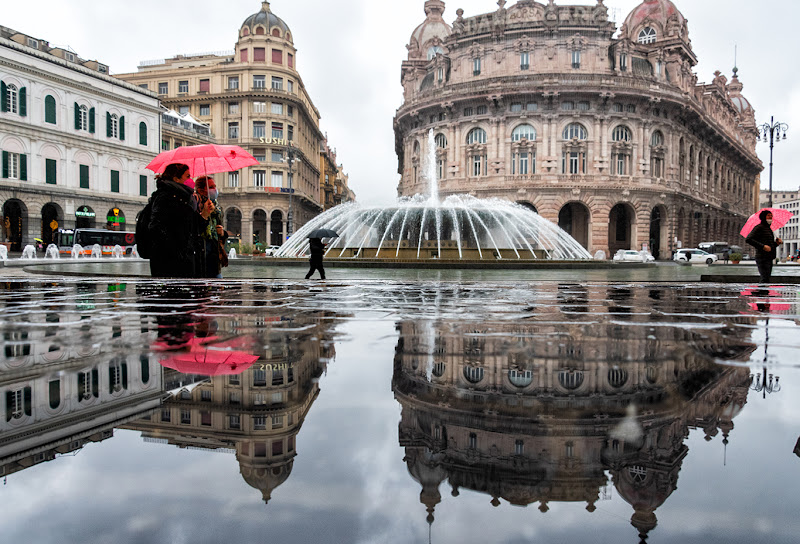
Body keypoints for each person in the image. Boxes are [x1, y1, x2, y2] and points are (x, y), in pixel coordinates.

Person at [148, 163, 212, 278]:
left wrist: (204, 215)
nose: (191, 180)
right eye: (187, 176)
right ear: (176, 178)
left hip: (184, 259)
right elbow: (155, 227)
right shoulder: (165, 197)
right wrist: (177, 251)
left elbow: (192, 228)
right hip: (170, 262)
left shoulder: (184, 198)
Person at [194, 176, 227, 278]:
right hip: (201, 259)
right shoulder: (194, 205)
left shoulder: (217, 208)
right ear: (201, 190)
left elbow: (221, 233)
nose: (215, 190)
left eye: (214, 186)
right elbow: (194, 230)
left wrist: (222, 233)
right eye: (211, 187)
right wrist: (204, 214)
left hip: (215, 260)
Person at [745, 210, 782, 283]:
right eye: (768, 215)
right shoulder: (759, 227)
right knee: (764, 277)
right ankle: (760, 293)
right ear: (763, 217)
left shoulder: (769, 229)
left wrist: (777, 243)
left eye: (771, 216)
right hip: (762, 257)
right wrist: (763, 246)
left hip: (769, 257)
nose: (770, 217)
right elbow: (748, 239)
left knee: (767, 277)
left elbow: (770, 246)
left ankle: (762, 292)